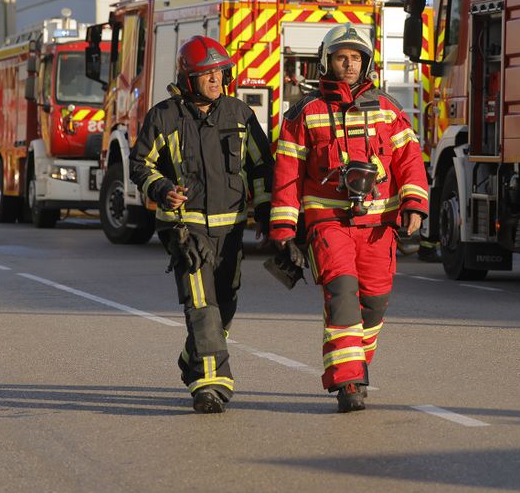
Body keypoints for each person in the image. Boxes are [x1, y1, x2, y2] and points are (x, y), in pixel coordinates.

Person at [270, 24, 429, 413]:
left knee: (374, 304)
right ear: (327, 61)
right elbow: (287, 174)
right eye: (341, 57)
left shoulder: (388, 110)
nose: (349, 64)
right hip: (329, 225)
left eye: (355, 58)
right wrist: (283, 231)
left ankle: (356, 362)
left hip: (378, 229)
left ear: (366, 62)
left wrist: (414, 205)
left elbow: (410, 161)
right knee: (342, 297)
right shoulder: (304, 114)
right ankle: (349, 382)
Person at [130, 36, 270, 415]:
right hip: (184, 228)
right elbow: (140, 165)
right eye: (206, 74)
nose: (215, 80)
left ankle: (193, 356)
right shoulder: (163, 117)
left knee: (225, 305)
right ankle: (210, 385)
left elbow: (261, 168)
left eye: (220, 73)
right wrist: (161, 188)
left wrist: (269, 215)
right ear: (188, 78)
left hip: (232, 229)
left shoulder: (240, 116)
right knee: (201, 305)